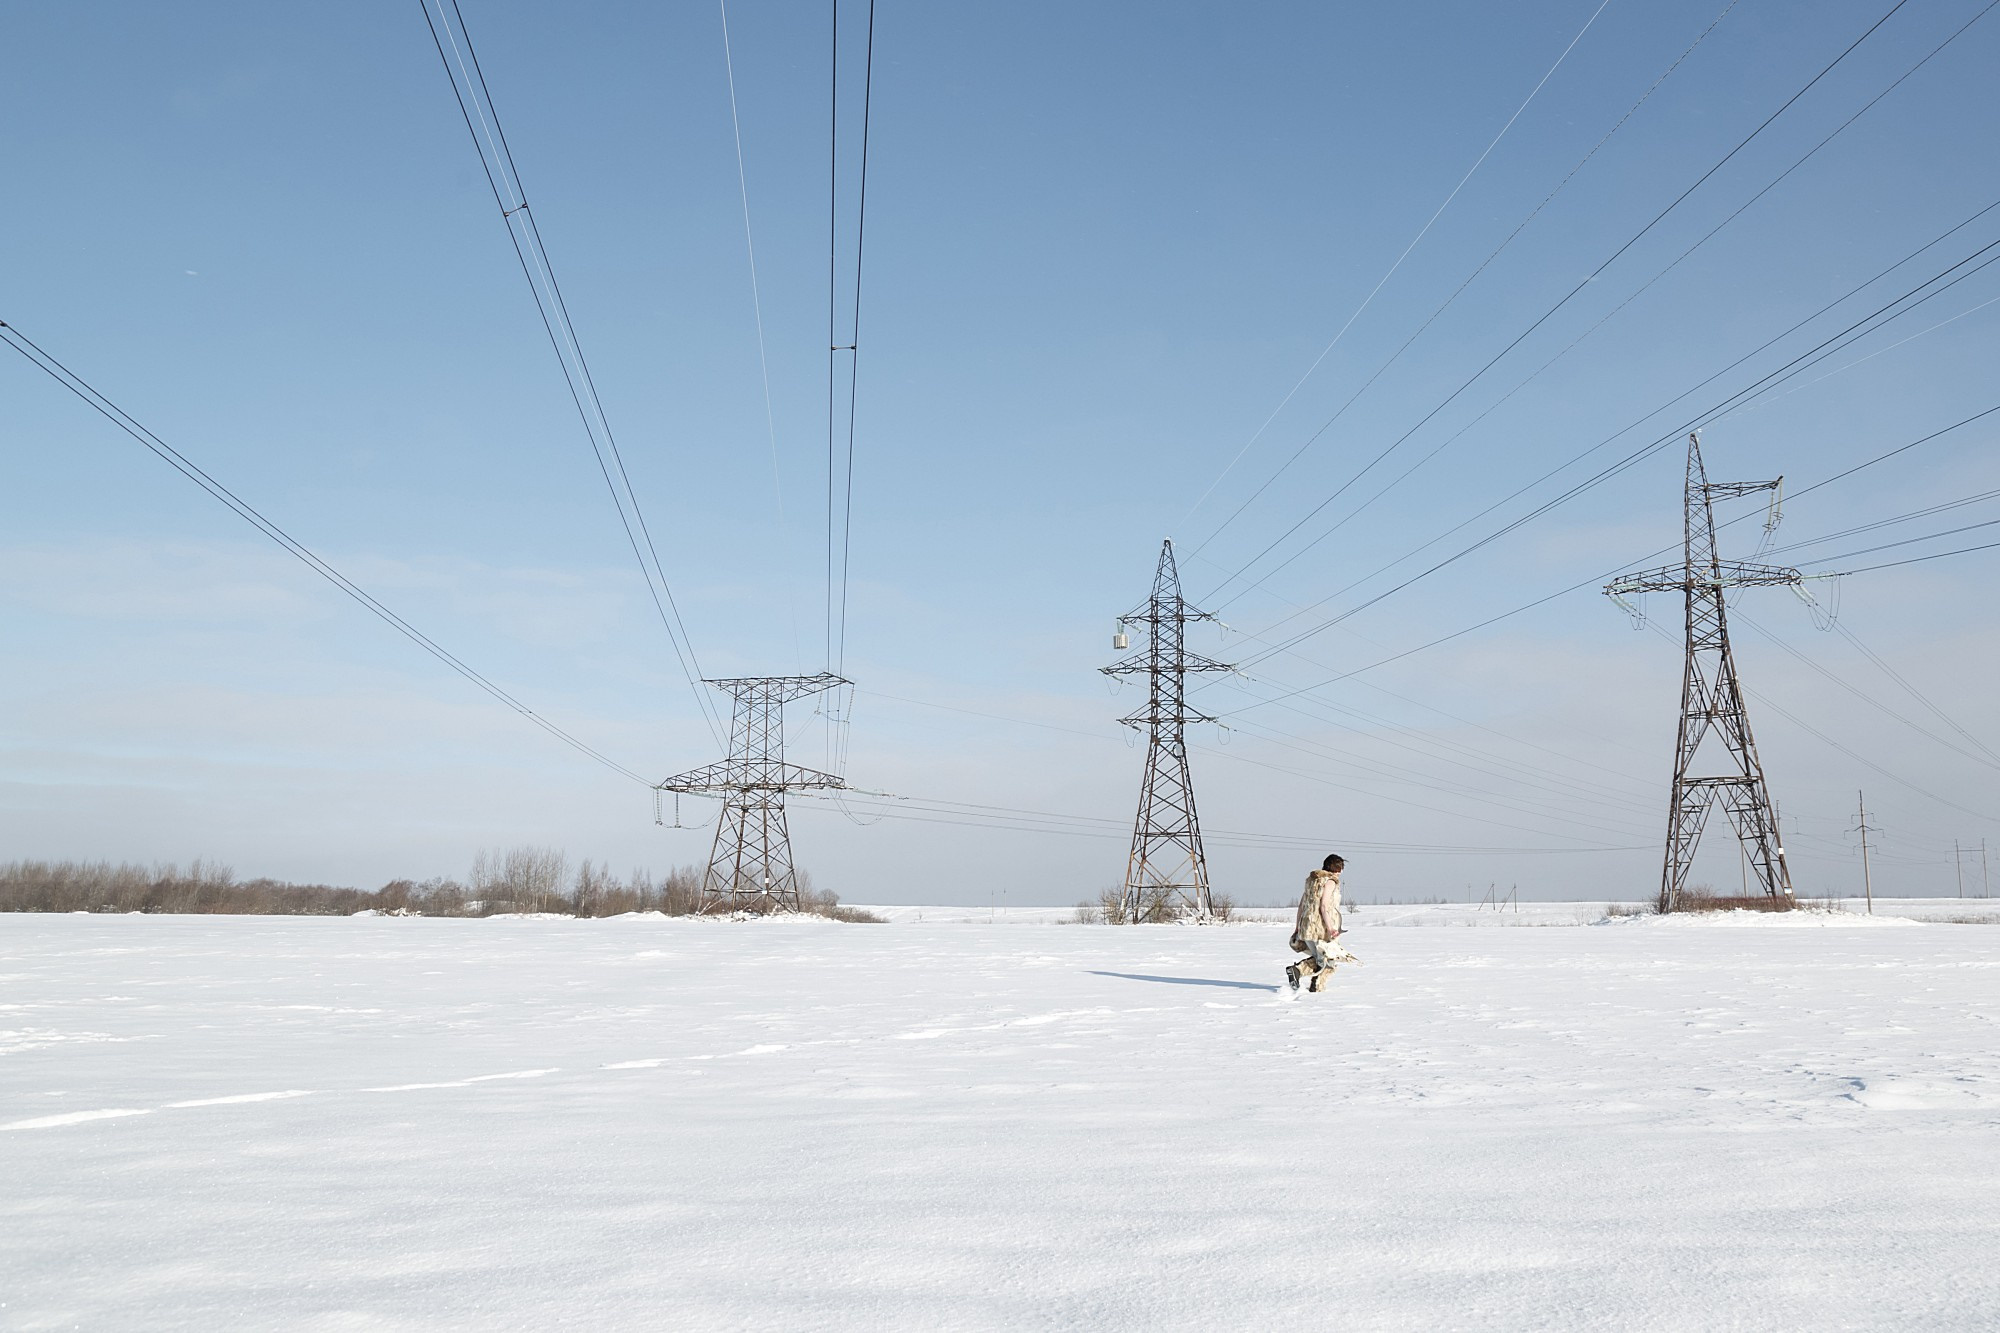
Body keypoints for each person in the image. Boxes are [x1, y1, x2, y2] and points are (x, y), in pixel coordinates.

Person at [1287, 854, 1346, 993]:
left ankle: (1299, 972)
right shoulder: (1331, 881)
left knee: (1321, 959)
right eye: (1341, 868)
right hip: (1321, 928)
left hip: (1306, 927)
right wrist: (1331, 928)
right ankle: (1315, 988)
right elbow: (1324, 906)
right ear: (1337, 869)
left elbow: (1301, 905)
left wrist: (1297, 927)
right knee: (1328, 960)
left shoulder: (1311, 881)